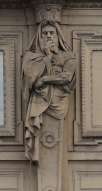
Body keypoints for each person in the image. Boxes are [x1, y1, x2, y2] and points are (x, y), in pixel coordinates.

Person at [22, 22, 76, 163]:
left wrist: (45, 79)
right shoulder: (32, 56)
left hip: (59, 101)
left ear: (58, 36)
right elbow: (30, 77)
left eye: (52, 33)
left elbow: (67, 77)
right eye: (44, 34)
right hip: (39, 99)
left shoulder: (67, 56)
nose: (48, 36)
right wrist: (47, 57)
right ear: (39, 37)